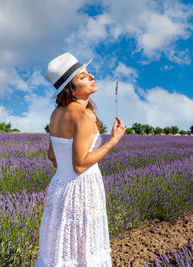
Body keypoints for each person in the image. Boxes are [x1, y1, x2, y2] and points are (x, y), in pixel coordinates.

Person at [35, 52, 125, 266]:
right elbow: (81, 165)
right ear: (71, 88)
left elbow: (51, 155)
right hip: (82, 190)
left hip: (59, 188)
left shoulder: (56, 113)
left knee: (62, 252)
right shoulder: (85, 116)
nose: (92, 76)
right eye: (83, 77)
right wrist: (112, 141)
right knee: (84, 252)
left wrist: (64, 168)